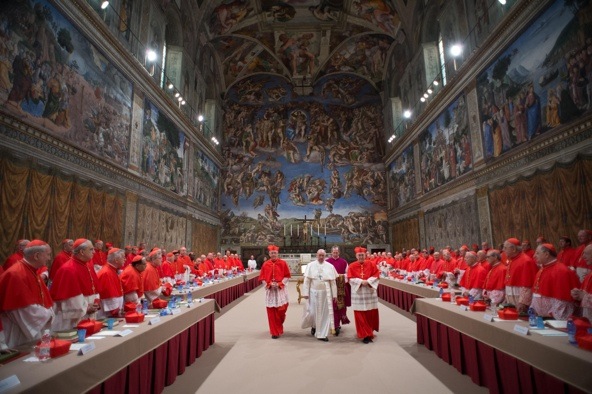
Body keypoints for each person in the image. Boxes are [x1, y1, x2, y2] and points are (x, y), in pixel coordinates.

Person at [0, 240, 54, 347]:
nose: (49, 258)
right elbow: (22, 308)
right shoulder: (16, 274)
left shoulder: (32, 271)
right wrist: (49, 315)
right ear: (37, 256)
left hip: (31, 326)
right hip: (19, 329)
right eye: (47, 255)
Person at [50, 239, 101, 331]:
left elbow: (94, 288)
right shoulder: (68, 269)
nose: (94, 252)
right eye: (91, 249)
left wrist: (96, 302)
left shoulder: (87, 265)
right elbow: (70, 296)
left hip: (88, 312)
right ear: (82, 251)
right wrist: (86, 308)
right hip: (72, 319)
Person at [530, 244, 579, 320]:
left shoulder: (561, 271)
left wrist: (551, 315)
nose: (534, 256)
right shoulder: (542, 268)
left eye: (537, 253)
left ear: (546, 254)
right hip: (540, 317)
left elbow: (562, 298)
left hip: (552, 319)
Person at [302, 249, 338, 342]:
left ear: (325, 256)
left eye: (323, 255)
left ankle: (322, 334)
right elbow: (307, 281)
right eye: (319, 255)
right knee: (313, 312)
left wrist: (335, 295)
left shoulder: (330, 266)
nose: (321, 257)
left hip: (326, 293)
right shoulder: (310, 265)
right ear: (316, 255)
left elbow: (333, 282)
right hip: (314, 293)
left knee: (324, 314)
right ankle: (314, 326)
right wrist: (305, 293)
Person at [347, 246, 380, 344]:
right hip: (359, 293)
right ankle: (364, 334)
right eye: (359, 255)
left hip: (369, 293)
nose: (361, 257)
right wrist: (361, 282)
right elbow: (349, 278)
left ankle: (369, 332)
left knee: (370, 313)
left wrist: (368, 281)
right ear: (356, 256)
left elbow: (377, 275)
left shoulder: (372, 264)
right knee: (360, 314)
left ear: (365, 255)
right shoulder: (352, 266)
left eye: (362, 255)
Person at [259, 245, 291, 339]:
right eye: (272, 253)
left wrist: (280, 283)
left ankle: (279, 325)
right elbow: (263, 278)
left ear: (277, 254)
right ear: (269, 254)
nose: (273, 254)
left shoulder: (283, 263)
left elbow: (287, 276)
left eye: (275, 253)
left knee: (282, 310)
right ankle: (274, 332)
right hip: (271, 291)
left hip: (280, 290)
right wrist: (268, 284)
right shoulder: (265, 264)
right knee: (271, 312)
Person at [503, 238, 538, 313]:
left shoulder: (526, 261)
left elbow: (528, 284)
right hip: (511, 298)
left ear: (513, 249)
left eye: (505, 247)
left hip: (520, 298)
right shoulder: (512, 259)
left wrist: (523, 302)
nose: (503, 250)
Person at [326, 245, 350, 334]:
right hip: (330, 288)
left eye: (337, 252)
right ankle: (334, 325)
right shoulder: (327, 262)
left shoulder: (344, 262)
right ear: (331, 252)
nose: (335, 254)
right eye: (334, 252)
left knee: (341, 306)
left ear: (339, 253)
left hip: (341, 288)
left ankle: (338, 324)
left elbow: (348, 274)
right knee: (332, 306)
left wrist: (340, 276)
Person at [97, 248, 125, 318]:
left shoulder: (112, 270)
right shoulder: (106, 273)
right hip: (108, 315)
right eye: (123, 257)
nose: (125, 259)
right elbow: (108, 294)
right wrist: (115, 311)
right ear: (116, 260)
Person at [571, 244, 592, 321]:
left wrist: (584, 296)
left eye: (586, 253)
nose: (583, 257)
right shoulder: (589, 275)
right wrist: (577, 295)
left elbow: (585, 296)